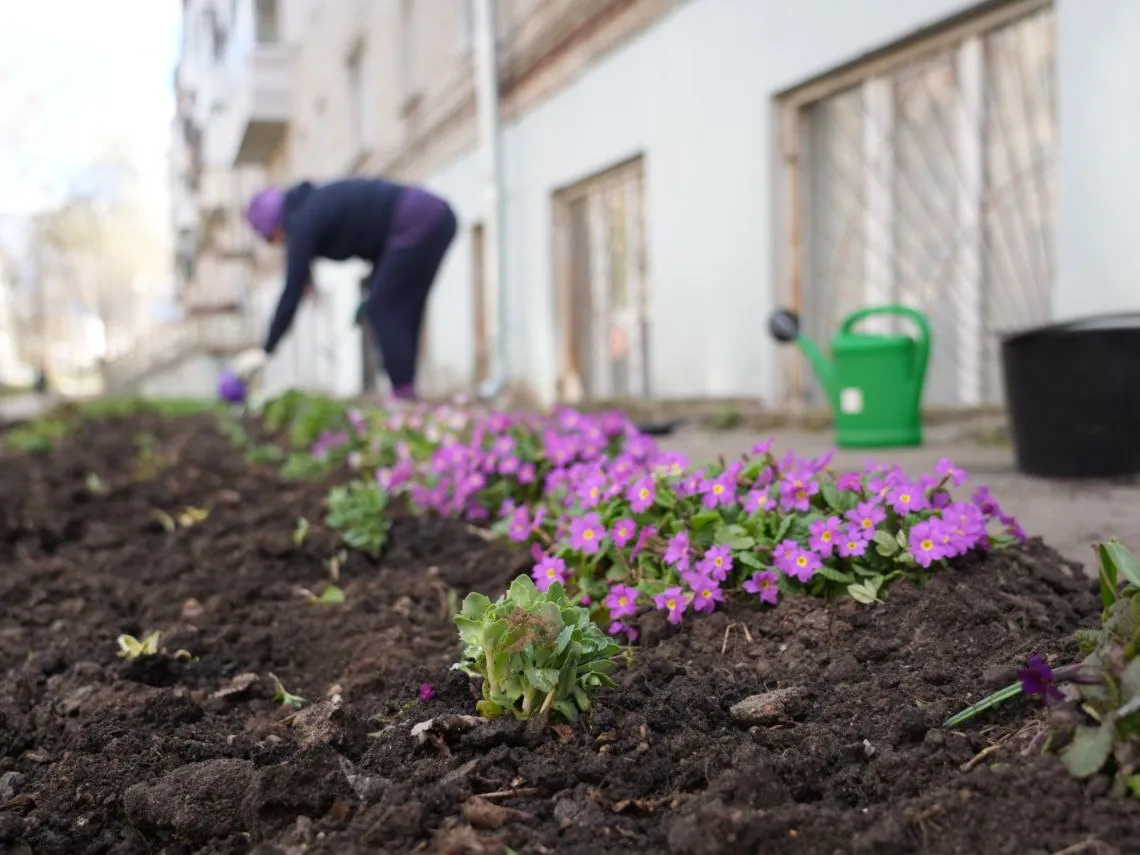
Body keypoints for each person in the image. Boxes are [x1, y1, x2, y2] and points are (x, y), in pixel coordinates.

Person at [230, 176, 458, 401]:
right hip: (433, 217)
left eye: (271, 237)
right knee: (401, 308)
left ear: (275, 223)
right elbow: (377, 242)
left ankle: (405, 398)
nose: (277, 243)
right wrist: (375, 287)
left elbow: (292, 290)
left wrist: (266, 349)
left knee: (385, 308)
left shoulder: (302, 220)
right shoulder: (311, 208)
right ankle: (406, 392)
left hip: (418, 220)